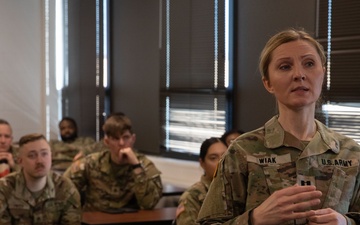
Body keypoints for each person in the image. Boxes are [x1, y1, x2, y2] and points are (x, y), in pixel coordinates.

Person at [197, 28, 360, 225]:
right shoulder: (242, 152)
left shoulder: (350, 154)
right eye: (285, 67)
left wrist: (345, 223)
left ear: (322, 74)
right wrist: (254, 220)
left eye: (309, 64)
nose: (299, 74)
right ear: (268, 83)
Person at [64, 114, 163, 212]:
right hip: (95, 219)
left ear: (133, 139)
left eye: (126, 137)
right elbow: (63, 189)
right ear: (107, 142)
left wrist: (136, 166)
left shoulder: (144, 165)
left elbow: (148, 204)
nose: (121, 143)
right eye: (115, 139)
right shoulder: (91, 162)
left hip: (130, 220)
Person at [0, 133, 81, 224]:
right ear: (20, 161)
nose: (40, 161)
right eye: (32, 155)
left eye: (44, 154)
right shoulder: (4, 188)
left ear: (51, 157)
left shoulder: (65, 188)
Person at [175, 137, 227, 225]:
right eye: (213, 158)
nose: (221, 162)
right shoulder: (192, 196)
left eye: (225, 156)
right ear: (202, 163)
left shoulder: (239, 189)